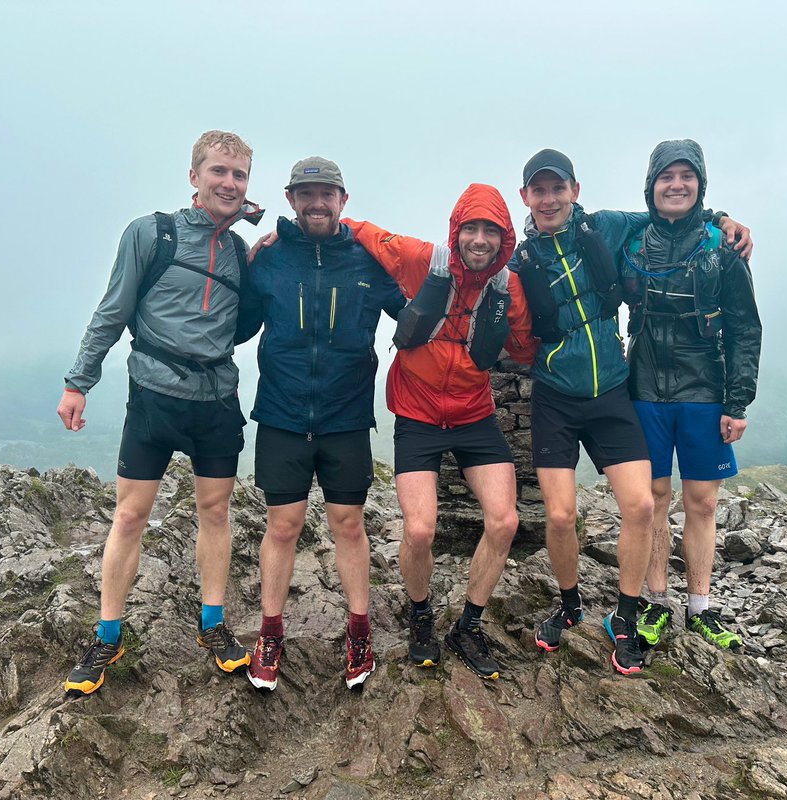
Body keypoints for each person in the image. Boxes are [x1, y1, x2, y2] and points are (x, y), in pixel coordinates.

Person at [510, 148, 752, 675]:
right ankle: (572, 606)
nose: (550, 198)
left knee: (642, 506)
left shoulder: (607, 227)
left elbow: (673, 214)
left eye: (559, 187)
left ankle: (629, 612)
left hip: (615, 391)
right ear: (526, 195)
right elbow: (471, 272)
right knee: (559, 513)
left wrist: (724, 219)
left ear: (575, 189)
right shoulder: (519, 258)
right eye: (539, 189)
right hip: (556, 392)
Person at [58, 130, 263, 697]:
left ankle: (213, 624)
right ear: (194, 175)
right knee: (130, 515)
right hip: (153, 393)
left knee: (216, 511)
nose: (229, 183)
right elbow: (113, 308)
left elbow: (244, 323)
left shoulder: (241, 253)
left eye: (240, 175)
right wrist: (79, 382)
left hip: (217, 397)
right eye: (219, 171)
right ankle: (107, 635)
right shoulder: (152, 233)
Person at [341, 183, 537, 679]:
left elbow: (527, 346)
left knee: (505, 522)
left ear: (503, 238)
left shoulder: (508, 288)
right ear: (456, 231)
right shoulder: (422, 261)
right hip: (417, 416)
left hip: (474, 415)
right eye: (470, 228)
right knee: (420, 529)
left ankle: (468, 624)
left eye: (490, 231)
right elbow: (364, 232)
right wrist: (283, 237)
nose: (478, 239)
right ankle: (421, 613)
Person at [238, 157, 406, 690]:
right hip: (283, 415)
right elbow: (238, 327)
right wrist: (242, 263)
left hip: (346, 416)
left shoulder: (368, 261)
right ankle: (270, 632)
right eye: (306, 194)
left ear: (343, 200)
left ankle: (359, 631)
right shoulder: (270, 259)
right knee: (282, 526)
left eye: (326, 194)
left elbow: (416, 315)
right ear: (290, 199)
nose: (316, 203)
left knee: (349, 526)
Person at [621, 139, 762, 652]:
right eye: (666, 176)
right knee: (653, 500)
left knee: (701, 502)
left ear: (700, 184)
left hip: (705, 388)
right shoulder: (633, 242)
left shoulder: (723, 248)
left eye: (687, 176)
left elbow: (745, 327)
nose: (676, 185)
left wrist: (737, 402)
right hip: (644, 389)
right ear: (651, 185)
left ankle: (700, 605)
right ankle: (657, 603)